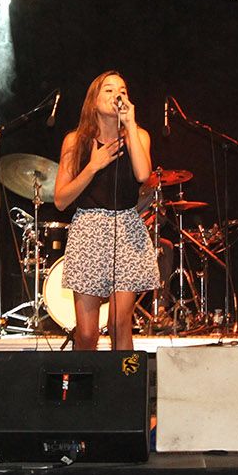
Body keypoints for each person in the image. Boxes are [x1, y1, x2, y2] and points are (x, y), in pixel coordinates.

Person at [52, 71, 158, 350]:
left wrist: (130, 124)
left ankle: (124, 379)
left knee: (119, 324)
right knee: (87, 334)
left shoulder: (139, 136)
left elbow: (143, 174)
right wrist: (93, 166)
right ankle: (82, 379)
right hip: (89, 229)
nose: (117, 95)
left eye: (122, 90)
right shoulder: (75, 141)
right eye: (109, 90)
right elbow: (61, 200)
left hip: (127, 230)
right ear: (93, 100)